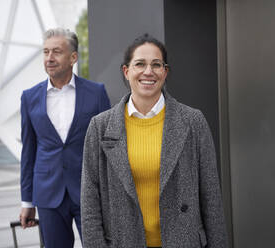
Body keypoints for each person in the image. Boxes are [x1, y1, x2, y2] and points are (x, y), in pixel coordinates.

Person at [81, 33, 228, 248]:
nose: (148, 72)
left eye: (156, 65)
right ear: (126, 71)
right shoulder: (100, 127)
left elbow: (211, 197)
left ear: (165, 72)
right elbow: (89, 204)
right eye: (140, 64)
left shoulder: (193, 122)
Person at [19, 28, 111, 248]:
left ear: (73, 57)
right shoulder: (29, 97)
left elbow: (109, 146)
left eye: (56, 52)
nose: (49, 58)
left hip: (90, 193)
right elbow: (28, 152)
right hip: (48, 194)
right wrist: (27, 201)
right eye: (46, 52)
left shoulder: (96, 93)